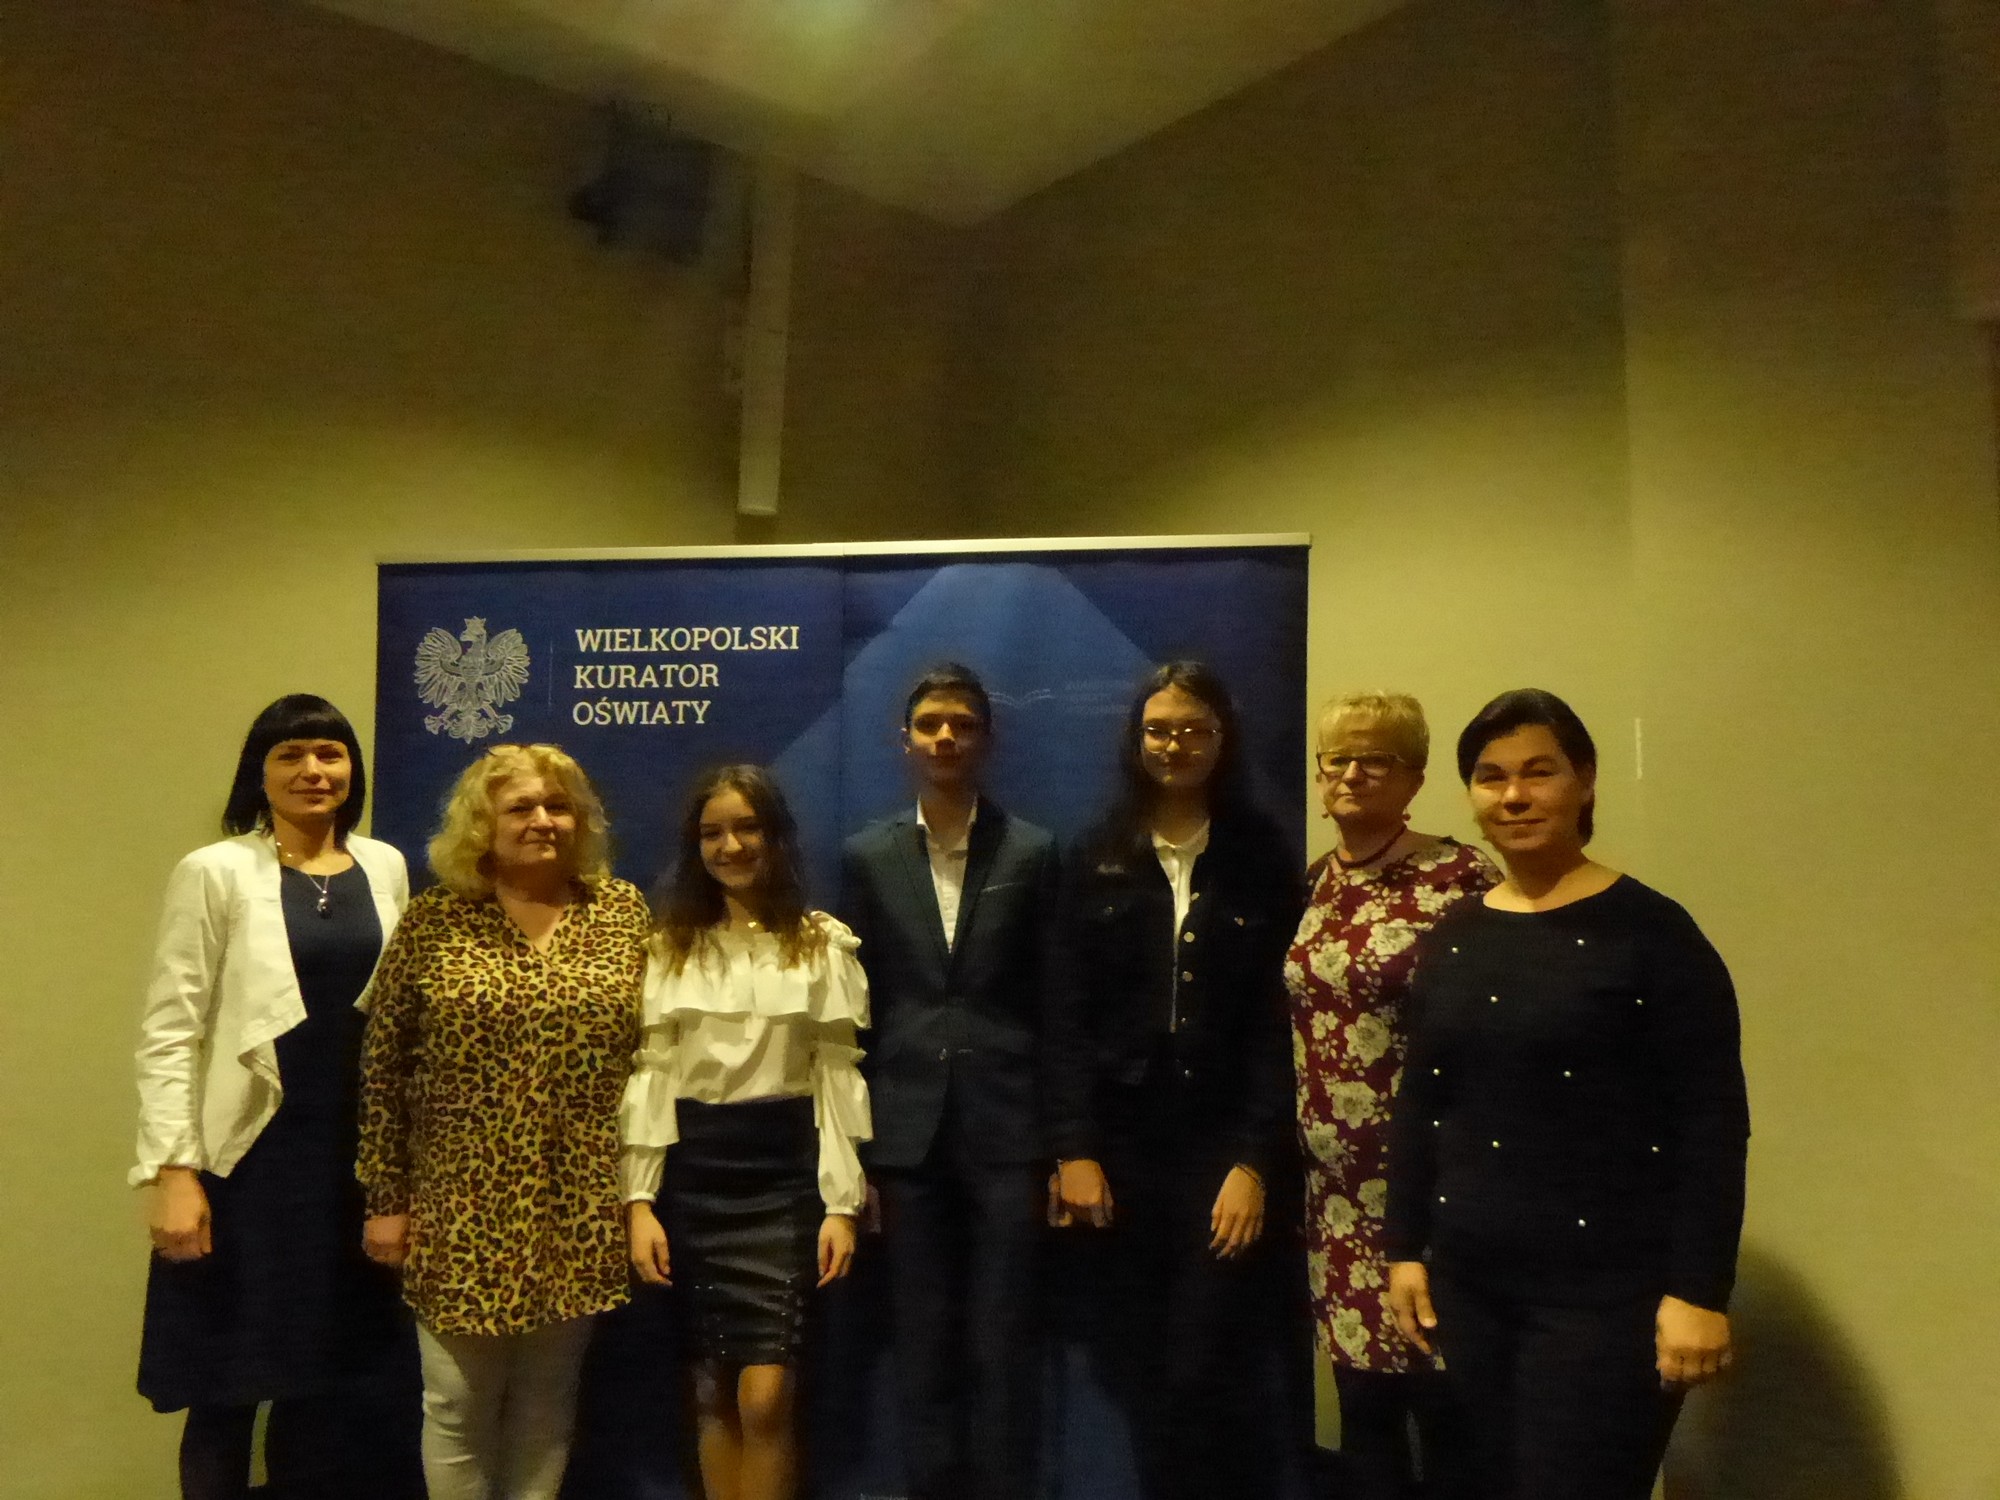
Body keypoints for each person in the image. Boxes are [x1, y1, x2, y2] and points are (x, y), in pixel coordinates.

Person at [1384, 689, 1750, 1500]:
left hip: (1607, 1299)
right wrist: (1404, 1247)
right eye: (1491, 777)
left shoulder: (1655, 935)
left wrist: (1698, 1293)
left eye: (1538, 772)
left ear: (1584, 781)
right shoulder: (1456, 936)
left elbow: (1712, 1125)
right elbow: (1423, 1102)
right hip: (1469, 1288)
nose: (1513, 795)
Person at [131, 693, 415, 1500]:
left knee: (325, 1388)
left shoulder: (386, 866)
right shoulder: (215, 871)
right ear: (259, 773)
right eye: (290, 755)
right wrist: (174, 1172)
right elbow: (170, 1030)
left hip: (350, 1167)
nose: (312, 770)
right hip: (247, 1166)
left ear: (352, 769)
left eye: (329, 753)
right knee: (225, 1388)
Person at [357, 743, 650, 1500]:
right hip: (457, 1205)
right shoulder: (434, 921)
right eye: (521, 807)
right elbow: (383, 1068)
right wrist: (386, 1200)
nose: (543, 820)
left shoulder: (621, 913)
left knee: (548, 1402)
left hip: (579, 1200)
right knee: (457, 1403)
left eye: (558, 807)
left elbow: (655, 1057)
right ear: (483, 824)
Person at [1059, 660, 1302, 1500]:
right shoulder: (1096, 856)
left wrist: (1254, 1162)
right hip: (1121, 1148)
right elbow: (1063, 1014)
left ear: (1223, 740)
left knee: (1210, 1367)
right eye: (1160, 730)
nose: (1176, 745)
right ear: (1136, 740)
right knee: (1140, 1369)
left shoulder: (1262, 856)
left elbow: (1279, 1026)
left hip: (1219, 1145)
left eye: (1195, 729)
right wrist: (1074, 1149)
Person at [839, 663, 1081, 1500]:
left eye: (963, 724)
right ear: (904, 740)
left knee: (1003, 1346)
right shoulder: (867, 856)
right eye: (930, 724)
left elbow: (1059, 1006)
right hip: (904, 1141)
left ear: (987, 739)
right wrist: (855, 1159)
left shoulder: (1034, 851)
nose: (945, 737)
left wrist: (1068, 1147)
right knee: (923, 1346)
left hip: (1008, 1137)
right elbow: (854, 1016)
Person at [621, 764, 872, 1500]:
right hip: (693, 1182)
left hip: (784, 1182)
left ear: (776, 836)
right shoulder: (671, 947)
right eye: (712, 833)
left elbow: (837, 1079)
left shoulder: (820, 944)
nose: (730, 846)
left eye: (746, 828)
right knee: (709, 1389)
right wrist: (639, 1202)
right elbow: (652, 1075)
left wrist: (841, 1205)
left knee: (765, 1397)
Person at [1285, 691, 1495, 1498]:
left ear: (1414, 777)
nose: (1351, 774)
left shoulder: (1461, 877)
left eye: (1375, 759)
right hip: (1335, 1200)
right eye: (1336, 759)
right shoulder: (1315, 883)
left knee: (1449, 1417)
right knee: (1364, 1416)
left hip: (1430, 1193)